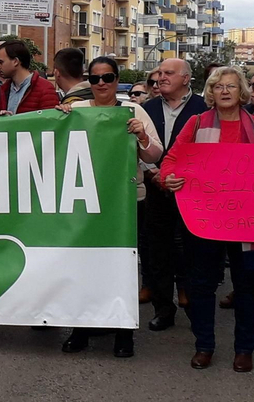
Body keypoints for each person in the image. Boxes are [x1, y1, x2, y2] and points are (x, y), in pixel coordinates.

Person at [157, 66, 254, 373]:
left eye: (231, 86)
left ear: (242, 92)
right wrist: (169, 178)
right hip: (205, 220)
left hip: (247, 222)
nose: (224, 91)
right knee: (202, 285)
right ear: (210, 92)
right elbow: (171, 160)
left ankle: (244, 349)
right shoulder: (196, 123)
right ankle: (204, 345)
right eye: (218, 86)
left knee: (246, 286)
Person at [60, 56, 164, 359]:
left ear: (117, 80)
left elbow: (155, 154)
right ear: (88, 81)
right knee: (84, 266)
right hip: (85, 203)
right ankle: (81, 328)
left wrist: (141, 135)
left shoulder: (134, 111)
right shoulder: (76, 110)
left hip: (126, 201)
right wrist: (57, 119)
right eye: (95, 79)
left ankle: (123, 331)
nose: (101, 83)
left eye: (107, 77)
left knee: (122, 268)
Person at [141, 57, 208, 332]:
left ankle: (195, 307)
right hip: (155, 189)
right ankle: (162, 309)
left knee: (191, 250)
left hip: (190, 192)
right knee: (157, 251)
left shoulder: (203, 108)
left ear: (186, 78)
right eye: (160, 73)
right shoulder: (147, 108)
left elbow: (207, 151)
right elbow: (135, 144)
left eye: (169, 73)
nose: (161, 77)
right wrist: (152, 172)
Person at [0, 40, 58, 114]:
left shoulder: (44, 88)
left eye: (1, 62)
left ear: (15, 61)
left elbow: (50, 119)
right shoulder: (5, 89)